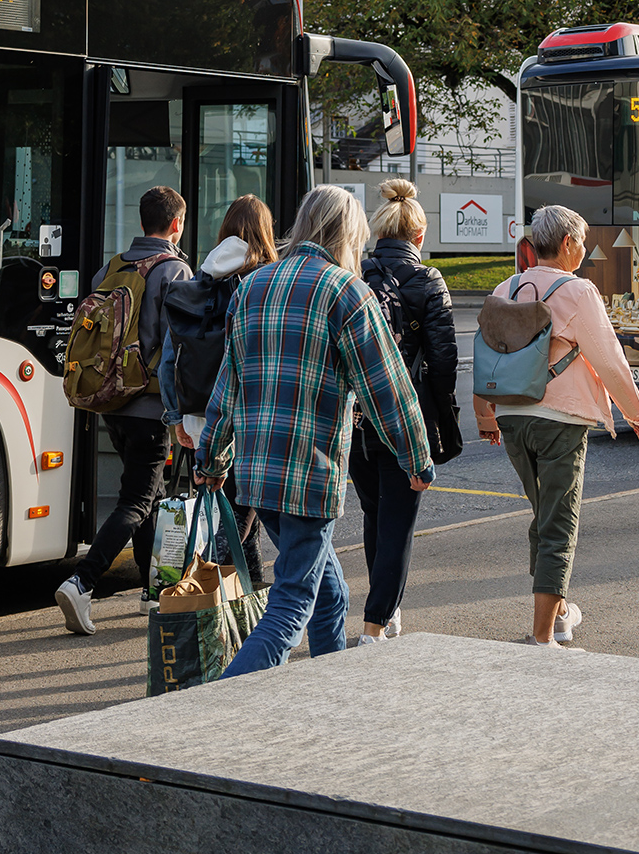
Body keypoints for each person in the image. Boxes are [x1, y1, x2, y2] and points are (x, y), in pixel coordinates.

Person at [195, 184, 433, 673]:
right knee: (290, 608)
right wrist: (417, 460)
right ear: (348, 235)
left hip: (259, 476)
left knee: (332, 594)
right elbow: (388, 390)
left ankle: (329, 693)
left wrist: (212, 459)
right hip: (310, 476)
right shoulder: (346, 293)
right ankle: (218, 712)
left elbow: (228, 386)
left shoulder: (253, 286)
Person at [474, 203, 639, 647]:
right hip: (561, 420)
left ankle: (557, 616)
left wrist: (485, 416)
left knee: (545, 517)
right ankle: (542, 637)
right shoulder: (578, 292)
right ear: (569, 244)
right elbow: (608, 359)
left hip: (513, 417)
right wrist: (637, 413)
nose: (584, 251)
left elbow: (486, 354)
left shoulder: (507, 286)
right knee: (559, 525)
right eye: (583, 242)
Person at [55, 185, 190, 635]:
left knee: (143, 498)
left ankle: (153, 593)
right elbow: (178, 347)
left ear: (141, 221)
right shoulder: (174, 270)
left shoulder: (110, 269)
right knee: (137, 499)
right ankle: (82, 582)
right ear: (176, 225)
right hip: (151, 405)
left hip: (112, 402)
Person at [352, 178, 460, 643]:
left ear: (378, 234)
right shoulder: (427, 280)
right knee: (399, 520)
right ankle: (376, 623)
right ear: (419, 236)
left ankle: (387, 607)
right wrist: (444, 416)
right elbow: (443, 359)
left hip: (357, 416)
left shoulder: (354, 271)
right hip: (404, 415)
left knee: (375, 515)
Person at [163, 193, 279, 590]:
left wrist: (177, 416)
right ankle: (198, 594)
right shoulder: (265, 283)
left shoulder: (198, 281)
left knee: (238, 512)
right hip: (250, 418)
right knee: (238, 517)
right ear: (265, 233)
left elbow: (169, 358)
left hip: (200, 416)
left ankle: (252, 596)